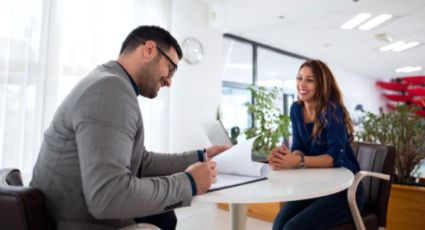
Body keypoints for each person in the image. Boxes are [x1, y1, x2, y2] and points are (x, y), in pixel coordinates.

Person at [30, 25, 228, 230]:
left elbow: (140, 161)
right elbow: (108, 196)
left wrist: (201, 156)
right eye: (171, 69)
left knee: (164, 217)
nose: (169, 81)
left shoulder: (107, 81)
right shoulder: (109, 89)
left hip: (65, 213)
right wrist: (189, 183)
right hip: (74, 222)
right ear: (149, 49)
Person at [268, 59, 364, 230]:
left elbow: (334, 158)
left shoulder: (332, 111)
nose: (301, 84)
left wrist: (298, 161)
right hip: (317, 185)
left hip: (345, 190)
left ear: (321, 84)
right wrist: (288, 158)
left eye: (309, 80)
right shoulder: (296, 109)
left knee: (292, 228)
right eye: (299, 78)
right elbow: (299, 146)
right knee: (278, 224)